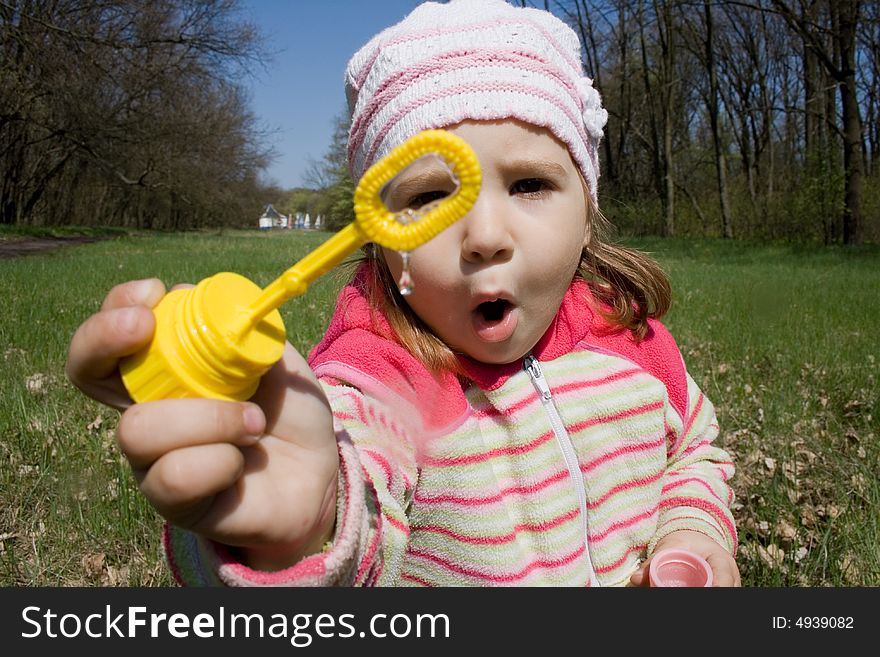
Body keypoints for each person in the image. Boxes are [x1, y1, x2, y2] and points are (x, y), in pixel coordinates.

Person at [66, 0, 739, 587]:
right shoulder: (373, 385)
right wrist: (304, 528)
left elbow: (691, 452)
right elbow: (356, 512)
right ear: (382, 241)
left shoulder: (632, 341)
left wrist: (693, 534)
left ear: (586, 209)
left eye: (530, 185)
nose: (484, 235)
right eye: (429, 196)